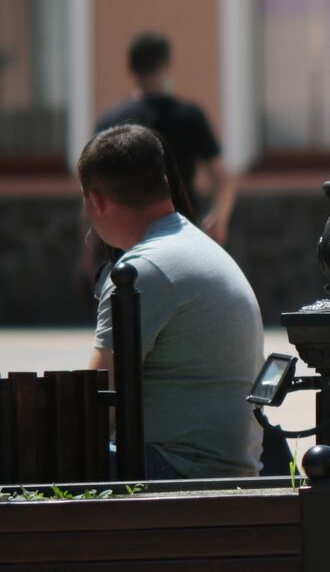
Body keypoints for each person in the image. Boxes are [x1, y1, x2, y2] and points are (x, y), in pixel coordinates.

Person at [80, 124, 264, 479]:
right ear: (162, 181)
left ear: (97, 201)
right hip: (226, 469)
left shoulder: (139, 271)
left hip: (177, 470)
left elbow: (92, 408)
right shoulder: (196, 246)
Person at [96, 31, 237, 243]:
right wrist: (218, 220)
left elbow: (95, 189)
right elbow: (222, 180)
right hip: (183, 232)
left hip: (128, 238)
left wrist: (90, 247)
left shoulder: (112, 121)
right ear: (168, 64)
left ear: (130, 67)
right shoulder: (189, 116)